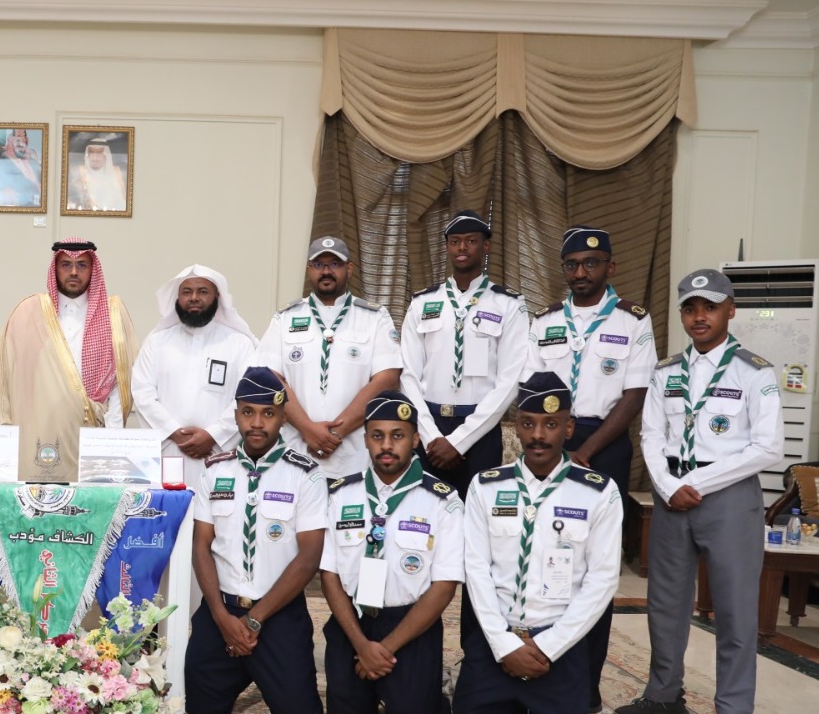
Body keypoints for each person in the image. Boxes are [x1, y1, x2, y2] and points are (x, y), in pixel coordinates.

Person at [614, 269, 783, 714]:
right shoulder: (665, 372)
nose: (699, 316)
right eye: (690, 308)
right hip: (672, 497)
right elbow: (650, 436)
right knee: (666, 604)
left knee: (733, 610)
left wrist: (697, 484)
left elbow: (767, 447)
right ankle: (665, 697)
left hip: (727, 497)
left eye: (709, 306)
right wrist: (668, 486)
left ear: (731, 310)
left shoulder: (755, 372)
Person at [454, 371, 623, 714]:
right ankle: (495, 701)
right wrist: (504, 643)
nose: (539, 435)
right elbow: (475, 570)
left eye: (551, 424)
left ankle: (534, 709)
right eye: (528, 423)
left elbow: (602, 581)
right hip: (497, 639)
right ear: (516, 426)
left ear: (569, 427)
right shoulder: (486, 487)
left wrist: (547, 646)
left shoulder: (599, 492)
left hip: (558, 647)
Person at [528, 226, 656, 712]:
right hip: (547, 443)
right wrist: (558, 444)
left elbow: (634, 395)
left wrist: (585, 452)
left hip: (605, 447)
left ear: (610, 268)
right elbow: (533, 391)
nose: (581, 273)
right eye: (573, 265)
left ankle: (585, 681)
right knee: (546, 552)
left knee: (594, 565)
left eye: (591, 264)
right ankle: (540, 657)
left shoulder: (633, 321)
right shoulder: (544, 322)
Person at [319, 392, 462, 714]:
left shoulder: (442, 501)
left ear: (415, 439)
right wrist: (362, 645)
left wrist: (387, 647)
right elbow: (329, 574)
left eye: (398, 435)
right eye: (377, 435)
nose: (387, 445)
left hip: (410, 627)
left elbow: (444, 586)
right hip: (354, 622)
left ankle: (435, 700)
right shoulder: (340, 494)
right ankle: (375, 693)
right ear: (365, 438)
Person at [185, 367, 326, 714]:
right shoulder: (215, 470)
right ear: (236, 415)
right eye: (248, 412)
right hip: (222, 612)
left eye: (268, 413)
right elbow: (201, 546)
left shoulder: (306, 475)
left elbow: (309, 558)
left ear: (283, 417)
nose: (257, 423)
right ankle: (246, 666)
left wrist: (254, 621)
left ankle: (261, 665)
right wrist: (219, 614)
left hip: (277, 614)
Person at [400, 210, 530, 499]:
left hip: (481, 432)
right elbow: (408, 374)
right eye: (455, 241)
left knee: (477, 522)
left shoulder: (507, 304)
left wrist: (459, 441)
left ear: (486, 246)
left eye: (471, 240)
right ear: (447, 246)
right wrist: (433, 436)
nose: (462, 247)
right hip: (428, 429)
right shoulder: (423, 302)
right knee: (424, 520)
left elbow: (510, 380)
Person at [255, 235, 402, 480]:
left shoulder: (374, 317)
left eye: (334, 264)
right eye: (319, 265)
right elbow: (269, 377)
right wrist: (308, 429)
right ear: (309, 270)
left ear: (349, 268)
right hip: (296, 450)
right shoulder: (286, 317)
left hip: (355, 453)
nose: (326, 271)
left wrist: (335, 433)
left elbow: (387, 379)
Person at [0, 239, 137, 482]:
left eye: (82, 265)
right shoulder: (30, 313)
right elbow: (13, 378)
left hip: (96, 433)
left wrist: (111, 435)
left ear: (93, 269)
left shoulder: (113, 313)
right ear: (55, 269)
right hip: (42, 431)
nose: (74, 272)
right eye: (66, 265)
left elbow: (122, 380)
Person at [131, 264, 258, 493]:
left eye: (202, 291)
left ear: (217, 297)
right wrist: (174, 432)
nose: (194, 298)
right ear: (177, 298)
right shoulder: (157, 342)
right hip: (168, 452)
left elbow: (246, 398)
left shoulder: (240, 344)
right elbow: (142, 392)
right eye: (187, 292)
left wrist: (213, 435)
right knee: (169, 517)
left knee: (218, 522)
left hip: (221, 452)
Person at [0, 127, 42, 209]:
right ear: (11, 141)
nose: (21, 144)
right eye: (18, 140)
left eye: (24, 140)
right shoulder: (4, 163)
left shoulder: (31, 160)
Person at [66, 137, 127, 212]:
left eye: (99, 152)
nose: (95, 158)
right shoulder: (76, 173)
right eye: (91, 152)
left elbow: (122, 203)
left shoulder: (117, 173)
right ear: (87, 155)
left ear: (106, 155)